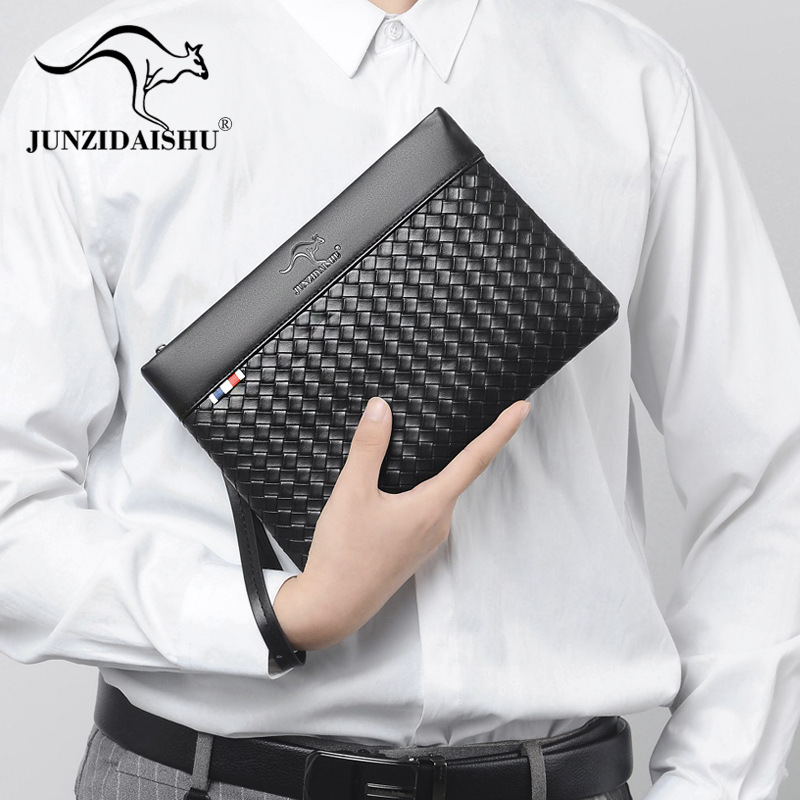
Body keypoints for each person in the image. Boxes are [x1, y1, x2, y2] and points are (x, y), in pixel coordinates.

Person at [1, 0, 798, 798]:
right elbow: (14, 506)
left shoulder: (631, 81)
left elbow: (771, 469)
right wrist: (278, 612)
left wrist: (714, 783)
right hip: (200, 778)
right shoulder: (86, 91)